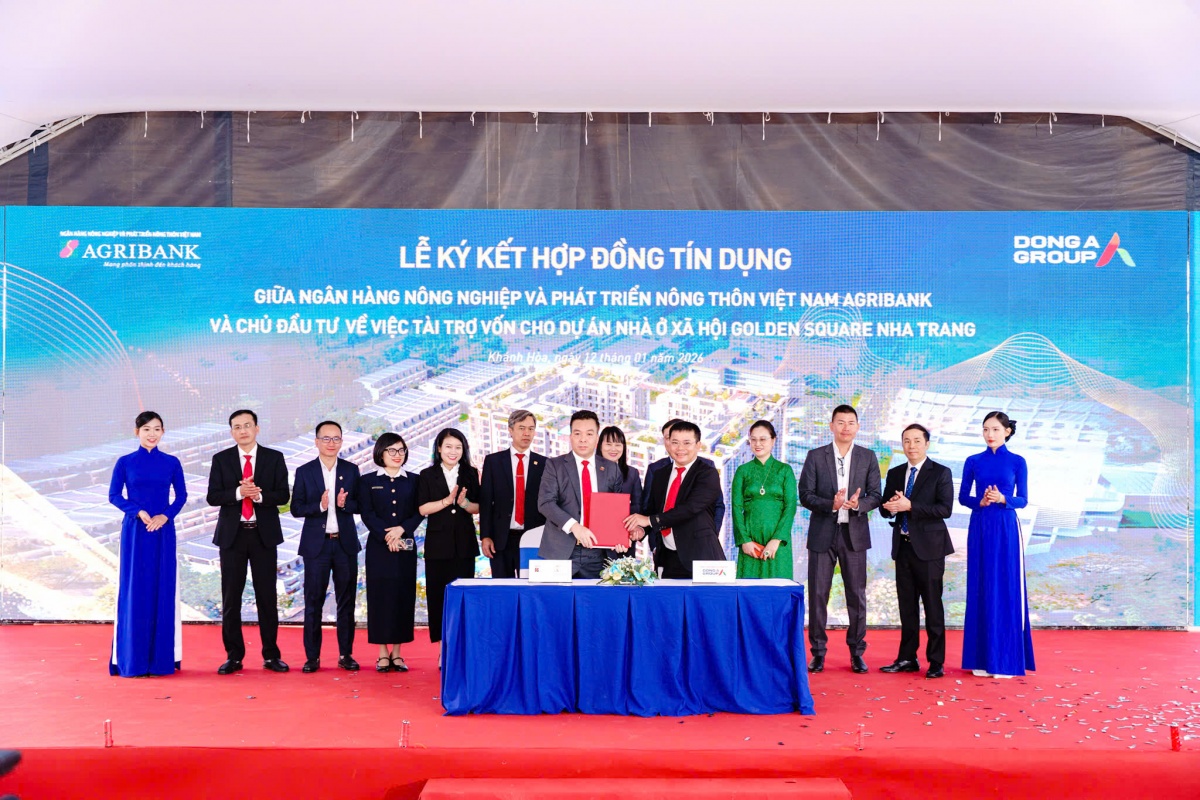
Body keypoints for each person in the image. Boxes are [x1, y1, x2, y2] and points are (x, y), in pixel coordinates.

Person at [798, 404, 881, 674]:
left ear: (858, 427)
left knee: (856, 595)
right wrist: (830, 505)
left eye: (851, 423)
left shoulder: (868, 457)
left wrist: (858, 504)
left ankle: (857, 653)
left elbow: (876, 495)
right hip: (823, 532)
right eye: (841, 422)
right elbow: (805, 495)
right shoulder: (815, 456)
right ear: (831, 426)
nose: (846, 428)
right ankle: (818, 653)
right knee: (818, 594)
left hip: (854, 534)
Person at [206, 409, 290, 675]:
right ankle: (234, 656)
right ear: (231, 431)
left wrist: (259, 497)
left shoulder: (274, 458)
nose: (242, 430)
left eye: (247, 425)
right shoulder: (221, 459)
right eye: (237, 427)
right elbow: (212, 496)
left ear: (257, 428)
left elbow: (283, 495)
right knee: (231, 598)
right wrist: (239, 492)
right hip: (233, 536)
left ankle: (271, 655)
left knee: (267, 597)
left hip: (263, 535)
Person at [107, 411, 187, 677]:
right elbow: (114, 495)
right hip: (136, 531)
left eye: (157, 429)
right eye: (146, 429)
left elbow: (182, 495)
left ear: (163, 432)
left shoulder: (172, 462)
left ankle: (160, 661)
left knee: (162, 587)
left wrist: (166, 515)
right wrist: (137, 511)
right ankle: (133, 660)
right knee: (135, 589)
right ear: (137, 432)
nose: (152, 434)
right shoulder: (125, 462)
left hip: (163, 530)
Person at [959, 411, 1035, 678]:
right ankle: (981, 659)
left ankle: (1005, 660)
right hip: (980, 526)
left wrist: (1003, 499)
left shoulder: (1017, 461)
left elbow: (1023, 500)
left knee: (1005, 587)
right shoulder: (973, 461)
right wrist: (979, 502)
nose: (989, 434)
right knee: (980, 585)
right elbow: (963, 497)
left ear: (1007, 432)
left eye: (995, 429)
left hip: (1005, 528)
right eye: (985, 429)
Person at [878, 423, 954, 679]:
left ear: (927, 444)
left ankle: (936, 661)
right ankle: (907, 658)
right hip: (903, 547)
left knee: (933, 606)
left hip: (930, 550)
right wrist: (890, 506)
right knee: (907, 607)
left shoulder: (940, 472)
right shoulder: (896, 473)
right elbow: (885, 509)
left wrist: (910, 506)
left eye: (917, 441)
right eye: (907, 441)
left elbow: (944, 509)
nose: (911, 446)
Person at [292, 420, 362, 673]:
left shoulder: (352, 470)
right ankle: (312, 657)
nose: (331, 443)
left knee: (347, 602)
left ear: (342, 441)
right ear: (316, 442)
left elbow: (360, 504)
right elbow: (296, 508)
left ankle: (345, 654)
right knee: (313, 603)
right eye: (326, 438)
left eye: (336, 438)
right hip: (316, 547)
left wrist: (345, 505)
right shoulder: (304, 471)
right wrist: (320, 506)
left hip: (344, 545)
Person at [625, 421, 725, 579]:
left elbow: (689, 509)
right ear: (668, 444)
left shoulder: (707, 474)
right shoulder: (660, 474)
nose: (680, 448)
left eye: (687, 443)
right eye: (675, 442)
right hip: (667, 558)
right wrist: (642, 530)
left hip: (701, 557)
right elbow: (652, 510)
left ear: (698, 445)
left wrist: (649, 520)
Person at [359, 432, 423, 673]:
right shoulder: (367, 481)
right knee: (380, 597)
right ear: (381, 453)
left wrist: (402, 530)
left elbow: (419, 511)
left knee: (402, 596)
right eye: (392, 450)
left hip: (405, 544)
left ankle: (397, 652)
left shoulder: (415, 480)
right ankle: (382, 653)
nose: (398, 455)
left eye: (401, 450)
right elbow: (367, 513)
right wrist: (387, 535)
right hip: (379, 546)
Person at [416, 428, 481, 661]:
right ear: (439, 448)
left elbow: (478, 507)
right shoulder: (427, 474)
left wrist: (464, 504)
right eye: (448, 447)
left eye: (458, 447)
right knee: (438, 598)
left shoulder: (471, 473)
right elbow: (422, 508)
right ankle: (443, 650)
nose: (453, 452)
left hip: (464, 545)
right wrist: (447, 501)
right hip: (437, 546)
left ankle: (461, 649)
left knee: (463, 598)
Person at [537, 410, 625, 578]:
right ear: (570, 437)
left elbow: (616, 509)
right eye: (577, 434)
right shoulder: (555, 465)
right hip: (561, 551)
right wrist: (574, 527)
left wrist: (618, 537)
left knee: (597, 595)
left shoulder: (611, 468)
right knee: (555, 596)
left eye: (589, 434)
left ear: (597, 438)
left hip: (599, 553)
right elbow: (545, 503)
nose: (583, 439)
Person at [479, 410, 547, 579]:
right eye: (521, 428)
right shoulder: (493, 462)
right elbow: (486, 502)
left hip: (533, 538)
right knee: (502, 588)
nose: (527, 433)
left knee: (532, 587)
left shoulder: (545, 463)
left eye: (531, 429)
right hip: (501, 539)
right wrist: (485, 536)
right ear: (510, 430)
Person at [730, 420, 796, 579]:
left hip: (778, 544)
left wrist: (776, 539)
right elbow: (736, 508)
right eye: (753, 439)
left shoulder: (785, 470)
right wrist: (744, 541)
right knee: (749, 590)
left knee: (778, 589)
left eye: (763, 439)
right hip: (750, 545)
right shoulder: (742, 471)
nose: (757, 444)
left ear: (773, 440)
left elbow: (790, 507)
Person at [641, 419, 725, 529]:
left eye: (685, 442)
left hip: (696, 536)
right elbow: (648, 508)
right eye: (672, 440)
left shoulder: (707, 468)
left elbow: (717, 505)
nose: (680, 447)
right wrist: (645, 531)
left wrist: (712, 534)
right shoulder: (656, 470)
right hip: (661, 537)